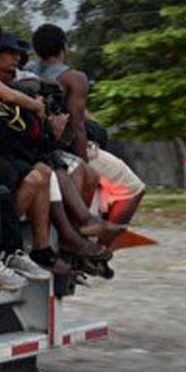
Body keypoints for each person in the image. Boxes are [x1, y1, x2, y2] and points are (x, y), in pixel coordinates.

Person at [30, 24, 145, 225]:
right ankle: (104, 243)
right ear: (63, 48)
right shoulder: (74, 78)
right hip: (72, 149)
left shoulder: (27, 72)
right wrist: (83, 162)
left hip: (39, 145)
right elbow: (77, 127)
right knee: (133, 188)